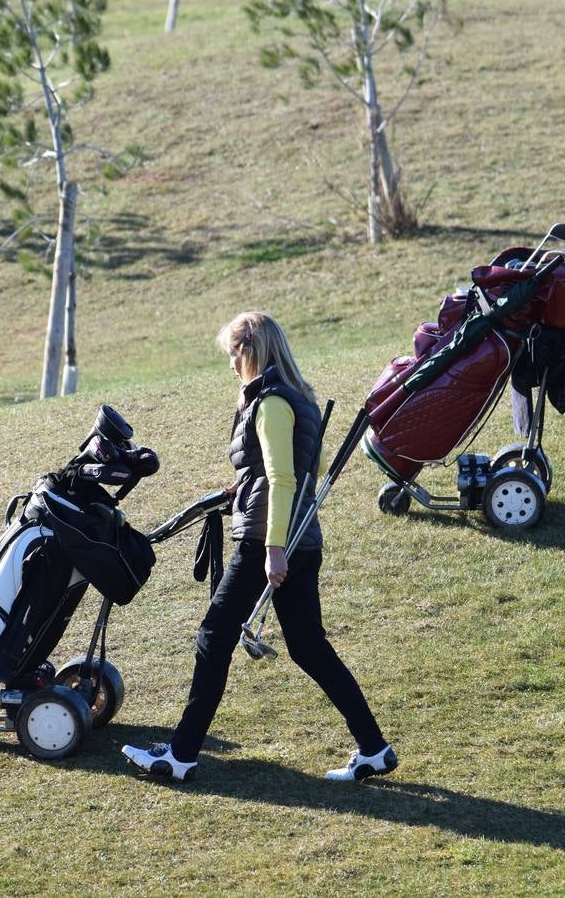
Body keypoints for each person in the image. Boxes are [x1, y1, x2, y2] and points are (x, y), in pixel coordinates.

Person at [122, 312, 397, 782]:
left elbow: (283, 478)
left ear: (250, 350)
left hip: (265, 542)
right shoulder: (300, 399)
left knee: (213, 637)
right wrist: (240, 489)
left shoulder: (270, 403)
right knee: (309, 648)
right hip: (301, 540)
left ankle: (181, 755)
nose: (231, 364)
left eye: (233, 353)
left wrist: (272, 549)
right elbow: (290, 474)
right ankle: (374, 748)